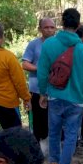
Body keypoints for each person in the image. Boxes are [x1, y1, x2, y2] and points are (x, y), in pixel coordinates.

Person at [37, 8, 83, 164]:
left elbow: (42, 72)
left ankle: (54, 160)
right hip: (76, 99)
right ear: (78, 25)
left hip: (55, 95)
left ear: (61, 23)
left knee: (53, 130)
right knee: (70, 134)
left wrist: (43, 93)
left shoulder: (48, 44)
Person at [22, 18, 56, 154]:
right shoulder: (34, 45)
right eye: (46, 27)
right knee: (38, 121)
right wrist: (40, 69)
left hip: (56, 89)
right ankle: (37, 151)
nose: (49, 30)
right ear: (40, 29)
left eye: (52, 27)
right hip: (36, 89)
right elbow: (25, 63)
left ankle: (54, 148)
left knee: (55, 120)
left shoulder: (60, 45)